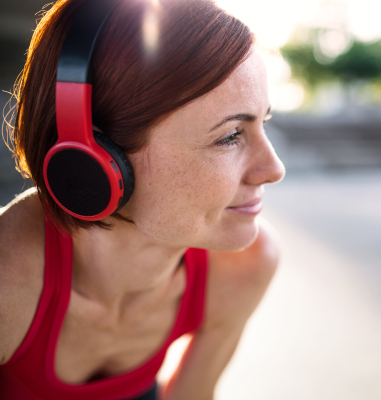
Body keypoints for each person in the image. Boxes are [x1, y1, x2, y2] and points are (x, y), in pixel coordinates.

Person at [0, 0, 285, 399]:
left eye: (263, 122)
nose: (274, 170)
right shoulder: (7, 280)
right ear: (93, 162)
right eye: (230, 136)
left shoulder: (245, 267)